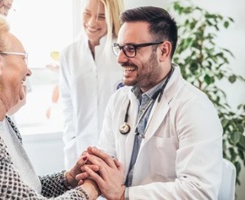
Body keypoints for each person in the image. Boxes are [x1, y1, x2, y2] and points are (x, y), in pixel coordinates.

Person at [0, 12, 100, 199]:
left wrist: (68, 178)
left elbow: (24, 190)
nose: (28, 71)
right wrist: (92, 187)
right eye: (23, 58)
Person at [80, 6, 223, 199]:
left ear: (163, 51)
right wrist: (93, 174)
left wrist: (125, 195)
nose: (121, 59)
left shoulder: (194, 107)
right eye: (119, 48)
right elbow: (106, 159)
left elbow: (199, 191)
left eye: (131, 49)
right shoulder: (119, 100)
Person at [59, 0, 124, 170]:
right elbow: (67, 106)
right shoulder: (69, 54)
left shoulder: (124, 53)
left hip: (118, 151)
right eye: (87, 13)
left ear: (113, 19)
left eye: (101, 17)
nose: (91, 22)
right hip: (80, 149)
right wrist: (71, 142)